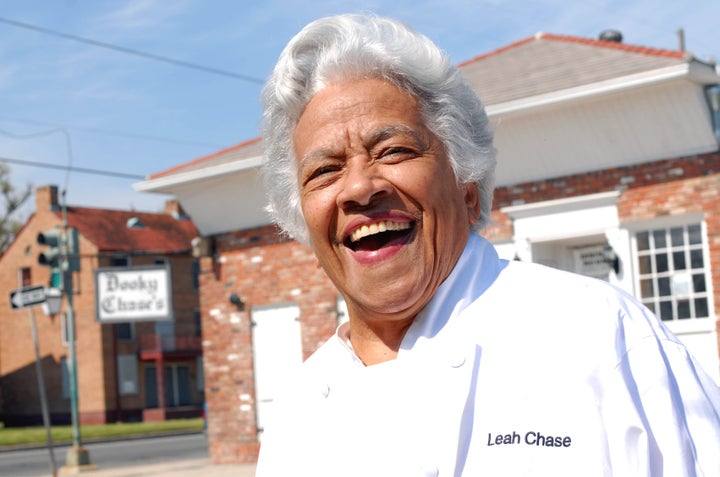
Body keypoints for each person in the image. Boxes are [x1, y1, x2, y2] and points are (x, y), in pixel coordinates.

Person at [256, 13, 720, 476]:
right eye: (324, 171)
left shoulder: (602, 338)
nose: (359, 188)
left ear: (467, 184)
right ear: (304, 221)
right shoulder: (298, 412)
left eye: (393, 150)